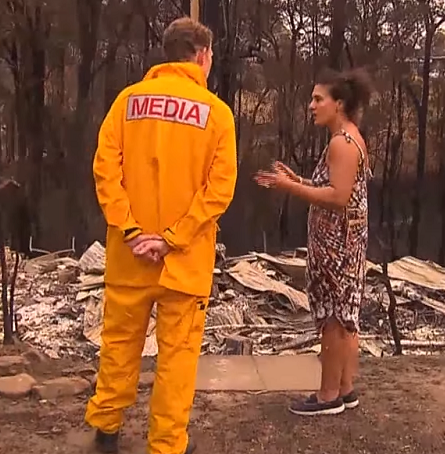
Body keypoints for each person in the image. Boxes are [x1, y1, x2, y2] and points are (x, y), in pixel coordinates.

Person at [85, 17, 237, 454]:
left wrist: (131, 230)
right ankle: (167, 443)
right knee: (177, 358)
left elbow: (105, 171)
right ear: (203, 56)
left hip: (129, 254)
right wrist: (173, 237)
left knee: (118, 346)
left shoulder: (126, 102)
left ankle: (107, 428)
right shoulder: (217, 115)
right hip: (184, 261)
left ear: (167, 53)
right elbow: (218, 190)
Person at [253, 67, 373, 416]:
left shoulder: (342, 143)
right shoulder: (350, 138)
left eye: (319, 99)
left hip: (337, 245)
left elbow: (337, 197)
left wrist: (287, 187)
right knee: (346, 315)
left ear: (339, 104)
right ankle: (345, 388)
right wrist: (300, 178)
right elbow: (337, 188)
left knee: (334, 319)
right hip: (344, 242)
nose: (311, 105)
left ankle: (327, 396)